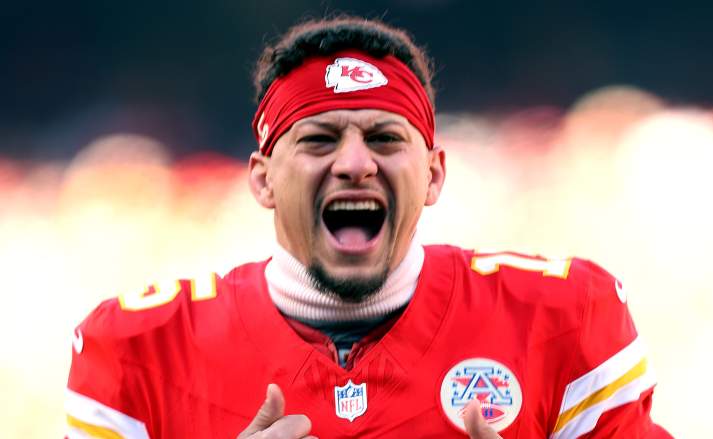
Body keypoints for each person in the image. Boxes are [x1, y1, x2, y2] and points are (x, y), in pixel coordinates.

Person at [65, 15, 672, 439]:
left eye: (384, 138)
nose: (355, 164)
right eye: (319, 139)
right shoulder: (139, 350)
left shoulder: (564, 317)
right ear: (263, 180)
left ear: (434, 175)